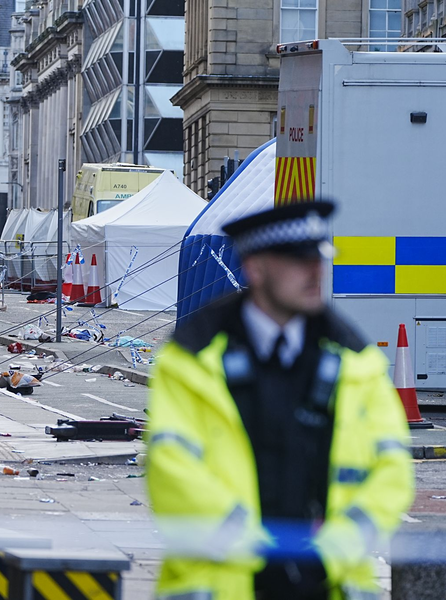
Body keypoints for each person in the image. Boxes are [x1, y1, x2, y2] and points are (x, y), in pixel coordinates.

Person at [147, 201, 413, 600]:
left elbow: (391, 471)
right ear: (255, 269)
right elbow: (172, 471)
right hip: (224, 585)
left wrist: (338, 548)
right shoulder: (190, 362)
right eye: (297, 260)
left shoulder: (357, 364)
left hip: (327, 584)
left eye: (319, 259)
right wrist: (249, 545)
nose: (315, 271)